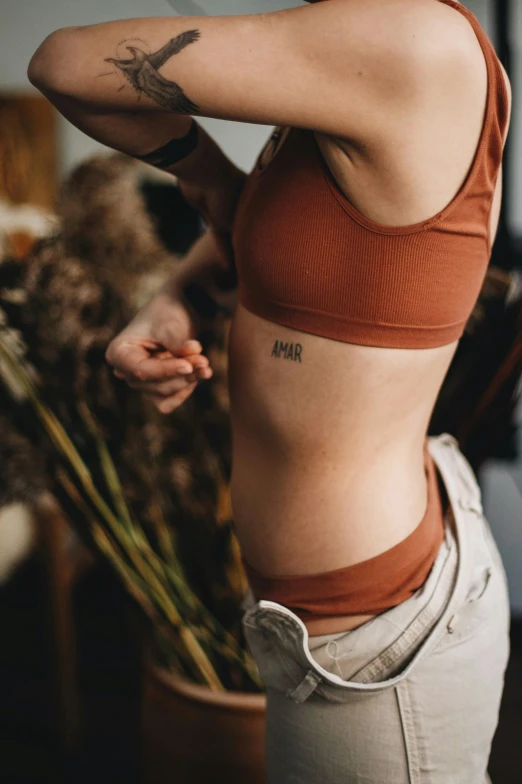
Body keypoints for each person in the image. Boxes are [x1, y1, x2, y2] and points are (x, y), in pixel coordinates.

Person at [28, 1, 513, 780]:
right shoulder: (361, 49)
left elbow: (66, 64)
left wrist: (203, 169)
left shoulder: (408, 39)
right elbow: (308, 259)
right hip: (332, 624)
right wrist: (179, 297)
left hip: (373, 643)